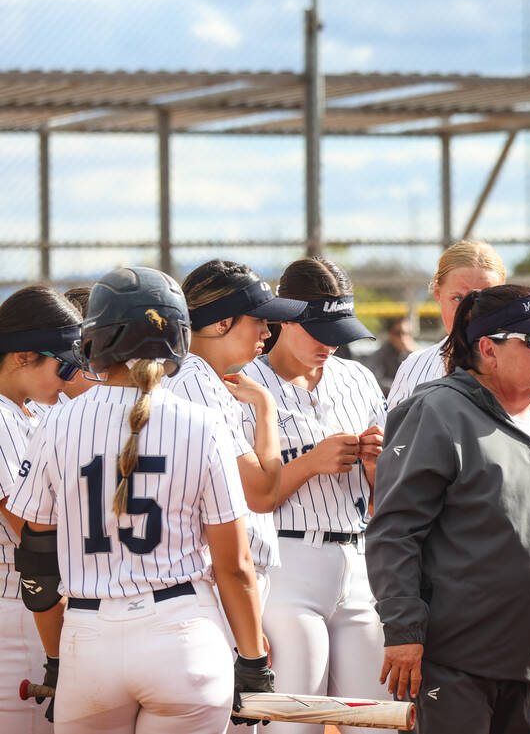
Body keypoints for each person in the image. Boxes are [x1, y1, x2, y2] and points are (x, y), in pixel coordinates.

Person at [8, 267, 272, 733]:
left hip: (89, 641)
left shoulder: (54, 423)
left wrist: (56, 660)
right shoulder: (202, 423)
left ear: (94, 339)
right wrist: (253, 662)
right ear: (179, 339)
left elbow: (38, 564)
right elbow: (234, 566)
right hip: (183, 635)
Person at [367, 286, 530, 734]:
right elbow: (394, 529)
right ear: (488, 348)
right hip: (456, 659)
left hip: (527, 659)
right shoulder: (438, 410)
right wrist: (404, 631)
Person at [240, 256, 388, 734]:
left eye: (338, 329)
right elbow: (251, 496)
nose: (331, 342)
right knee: (292, 725)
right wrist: (310, 463)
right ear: (283, 319)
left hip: (358, 562)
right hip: (286, 564)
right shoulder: (245, 385)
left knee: (374, 722)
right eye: (318, 328)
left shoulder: (358, 378)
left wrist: (376, 467)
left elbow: (384, 496)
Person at [169, 259, 309, 603]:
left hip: (220, 578)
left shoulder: (204, 378)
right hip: (217, 581)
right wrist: (266, 407)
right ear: (221, 323)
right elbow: (262, 493)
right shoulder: (194, 382)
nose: (267, 332)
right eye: (259, 321)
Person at [0, 286, 81, 733]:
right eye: (64, 365)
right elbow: (29, 527)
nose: (69, 378)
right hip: (17, 609)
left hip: (40, 603)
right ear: (22, 355)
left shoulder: (34, 410)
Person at [386, 240, 505, 409]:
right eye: (458, 298)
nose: (469, 312)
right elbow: (395, 433)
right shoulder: (413, 367)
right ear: (438, 293)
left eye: (484, 299)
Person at [363, 317, 417, 393]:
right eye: (398, 333)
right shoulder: (382, 354)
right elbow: (371, 380)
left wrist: (416, 353)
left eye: (406, 333)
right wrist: (396, 387)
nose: (403, 337)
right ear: (390, 335)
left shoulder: (414, 353)